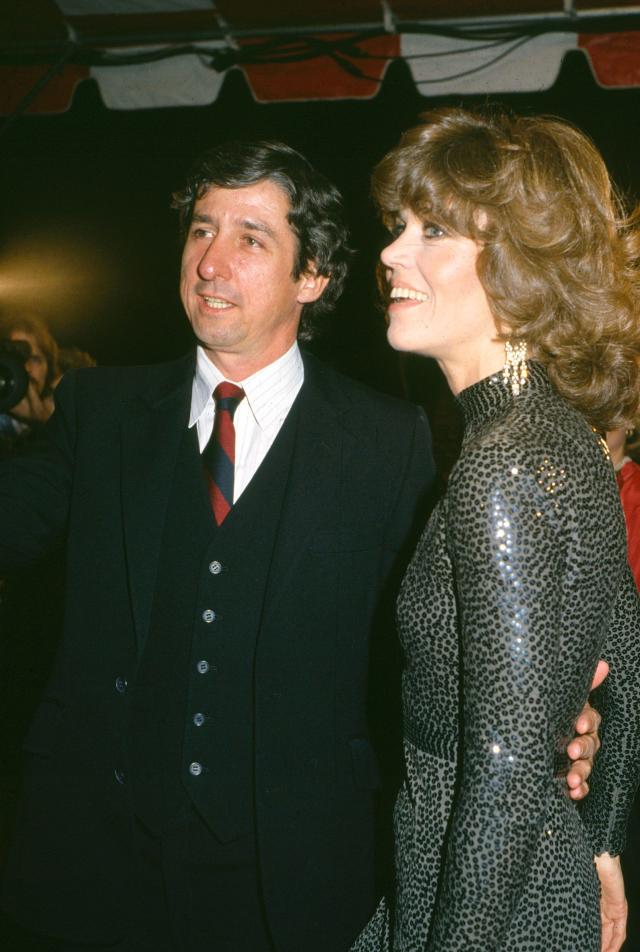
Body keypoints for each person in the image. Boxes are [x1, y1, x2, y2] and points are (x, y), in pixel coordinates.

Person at [0, 140, 599, 952]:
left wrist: (557, 713)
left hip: (296, 884)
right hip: (96, 874)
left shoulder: (394, 444)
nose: (210, 262)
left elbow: (444, 645)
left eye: (250, 238)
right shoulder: (99, 413)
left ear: (311, 276)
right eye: (200, 230)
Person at [352, 108, 640, 952]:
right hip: (533, 881)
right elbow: (628, 661)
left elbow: (508, 769)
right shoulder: (565, 438)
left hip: (479, 901)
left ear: (519, 265)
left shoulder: (500, 466)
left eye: (432, 229)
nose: (392, 254)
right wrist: (603, 847)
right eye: (398, 226)